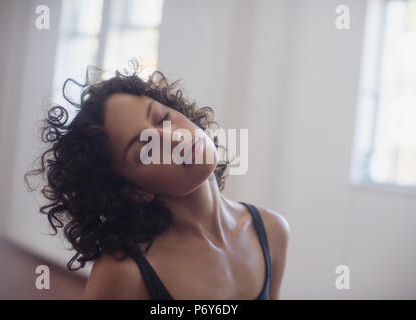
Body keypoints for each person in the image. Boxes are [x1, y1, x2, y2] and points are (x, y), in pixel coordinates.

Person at [24, 59, 289, 300]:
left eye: (163, 119)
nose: (175, 138)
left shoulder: (272, 230)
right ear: (134, 191)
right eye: (146, 150)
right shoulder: (124, 274)